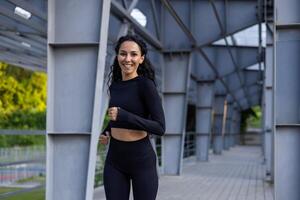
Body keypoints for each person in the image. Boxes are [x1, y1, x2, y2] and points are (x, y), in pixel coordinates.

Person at [99, 34, 165, 200]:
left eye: (133, 54)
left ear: (141, 59)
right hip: (114, 160)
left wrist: (125, 115)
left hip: (141, 160)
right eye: (123, 53)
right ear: (117, 56)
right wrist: (107, 132)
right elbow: (116, 118)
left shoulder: (145, 85)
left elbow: (159, 127)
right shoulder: (115, 85)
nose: (127, 59)